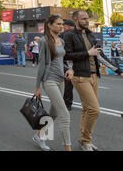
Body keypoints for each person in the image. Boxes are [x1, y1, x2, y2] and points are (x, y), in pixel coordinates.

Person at [64, 10, 123, 151]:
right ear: (76, 20)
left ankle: (84, 141)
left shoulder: (90, 34)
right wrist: (87, 53)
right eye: (83, 19)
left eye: (87, 18)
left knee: (86, 109)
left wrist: (118, 70)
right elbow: (66, 56)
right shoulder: (69, 35)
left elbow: (99, 55)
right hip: (80, 76)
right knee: (94, 110)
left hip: (94, 76)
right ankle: (86, 140)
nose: (87, 21)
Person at [33, 14, 73, 151]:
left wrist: (70, 69)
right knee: (65, 114)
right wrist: (37, 87)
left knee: (54, 112)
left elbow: (63, 61)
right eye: (58, 24)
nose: (61, 26)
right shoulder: (44, 41)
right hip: (49, 80)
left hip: (61, 80)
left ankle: (39, 135)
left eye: (62, 24)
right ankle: (68, 148)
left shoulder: (61, 41)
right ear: (49, 25)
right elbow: (42, 65)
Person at [60, 19, 75, 111]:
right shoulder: (77, 35)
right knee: (69, 85)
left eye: (63, 25)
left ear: (69, 26)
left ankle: (67, 104)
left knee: (67, 85)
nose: (62, 27)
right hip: (74, 63)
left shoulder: (63, 35)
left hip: (67, 63)